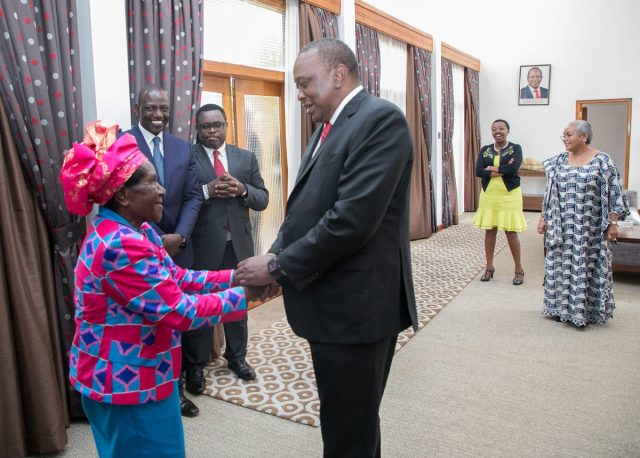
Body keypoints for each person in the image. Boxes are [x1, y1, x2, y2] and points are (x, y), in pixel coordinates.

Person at [235, 38, 418, 457]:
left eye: (304, 83)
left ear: (339, 75)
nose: (299, 94)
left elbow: (350, 222)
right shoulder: (328, 126)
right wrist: (275, 257)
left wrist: (278, 266)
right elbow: (307, 211)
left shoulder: (380, 121)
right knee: (344, 420)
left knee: (348, 431)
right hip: (333, 303)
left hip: (359, 309)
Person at [60, 120, 261, 458]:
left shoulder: (139, 230)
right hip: (126, 386)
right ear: (123, 195)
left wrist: (237, 275)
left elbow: (179, 278)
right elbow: (179, 311)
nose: (163, 190)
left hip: (146, 374)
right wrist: (252, 295)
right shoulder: (120, 245)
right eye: (152, 182)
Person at [124, 85, 204, 417]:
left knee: (180, 318)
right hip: (141, 247)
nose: (158, 115)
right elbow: (121, 198)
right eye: (151, 108)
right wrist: (158, 240)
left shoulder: (183, 148)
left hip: (179, 246)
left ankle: (180, 387)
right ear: (138, 108)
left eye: (164, 109)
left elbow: (193, 197)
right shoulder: (123, 144)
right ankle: (161, 390)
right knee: (152, 324)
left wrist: (180, 237)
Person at [182, 103, 269, 392]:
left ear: (225, 125)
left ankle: (237, 357)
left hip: (239, 246)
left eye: (217, 125)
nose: (212, 131)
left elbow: (263, 198)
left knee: (237, 305)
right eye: (206, 126)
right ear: (197, 128)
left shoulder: (244, 157)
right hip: (203, 247)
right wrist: (207, 191)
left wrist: (243, 190)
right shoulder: (187, 158)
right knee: (201, 309)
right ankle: (195, 367)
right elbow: (180, 199)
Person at [538, 120, 629, 326]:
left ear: (584, 137)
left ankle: (585, 312)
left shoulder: (602, 160)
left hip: (590, 227)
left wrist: (613, 223)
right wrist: (543, 218)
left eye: (569, 134)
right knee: (559, 265)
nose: (565, 139)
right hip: (561, 226)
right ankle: (559, 308)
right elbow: (549, 192)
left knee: (586, 265)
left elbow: (615, 192)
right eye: (563, 135)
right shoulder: (559, 161)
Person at [473, 119, 528, 285]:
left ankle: (519, 270)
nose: (497, 131)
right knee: (490, 231)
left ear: (507, 131)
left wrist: (490, 168)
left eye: (501, 128)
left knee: (511, 232)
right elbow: (478, 171)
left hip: (509, 195)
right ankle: (489, 267)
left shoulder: (515, 148)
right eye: (494, 129)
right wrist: (499, 170)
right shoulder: (485, 150)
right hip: (489, 194)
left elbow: (513, 169)